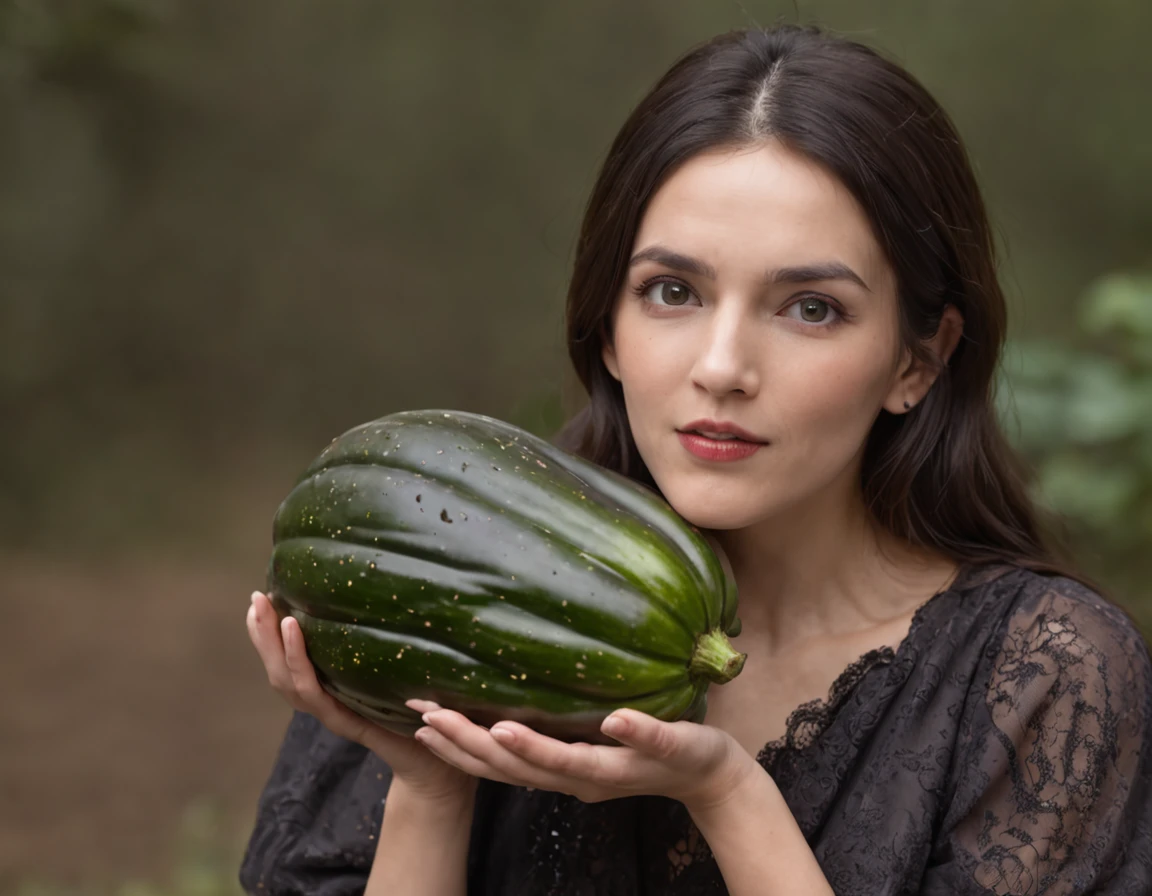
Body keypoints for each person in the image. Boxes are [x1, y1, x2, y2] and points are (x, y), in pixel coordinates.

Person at [239, 23, 1152, 895]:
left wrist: (726, 795)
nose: (721, 368)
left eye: (810, 308)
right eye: (671, 291)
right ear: (607, 328)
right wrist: (429, 782)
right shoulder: (447, 587)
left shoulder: (1046, 677)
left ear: (918, 361)